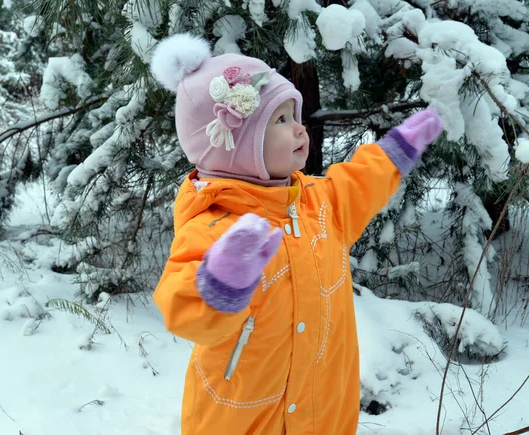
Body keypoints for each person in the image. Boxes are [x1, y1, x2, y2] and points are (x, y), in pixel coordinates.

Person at [150, 33, 443, 435]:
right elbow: (181, 307)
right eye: (282, 120)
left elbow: (359, 183)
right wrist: (220, 282)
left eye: (296, 116)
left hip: (323, 418)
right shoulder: (213, 224)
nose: (301, 131)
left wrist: (395, 151)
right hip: (242, 422)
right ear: (235, 146)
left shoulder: (318, 204)